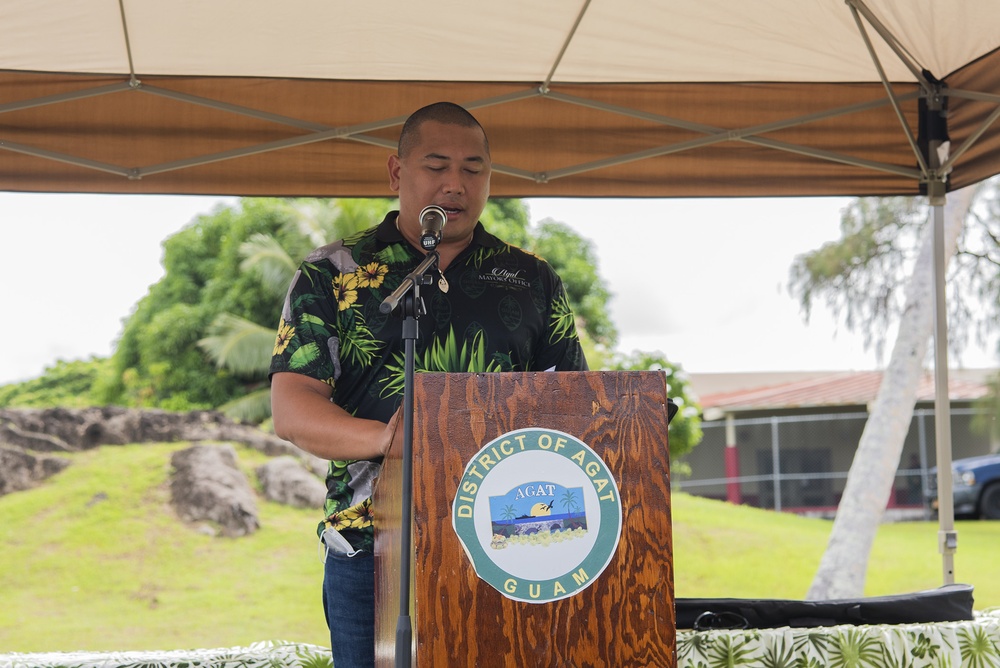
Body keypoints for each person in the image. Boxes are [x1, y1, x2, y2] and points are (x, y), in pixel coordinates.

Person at [268, 101, 588, 665]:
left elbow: (574, 404)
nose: (455, 184)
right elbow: (293, 409)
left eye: (473, 168)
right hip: (373, 543)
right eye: (436, 166)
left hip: (507, 542)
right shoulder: (335, 272)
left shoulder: (531, 279)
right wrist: (387, 440)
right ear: (397, 173)